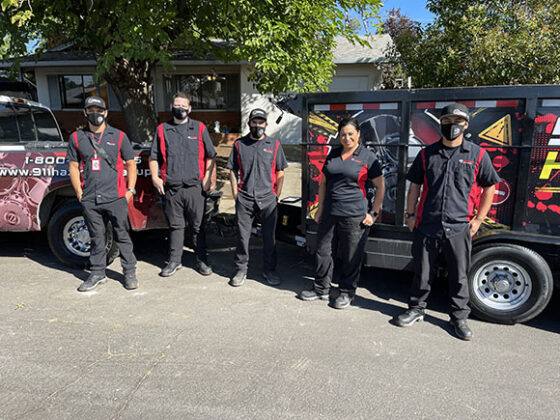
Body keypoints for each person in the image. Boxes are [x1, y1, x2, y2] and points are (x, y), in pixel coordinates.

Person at [396, 103, 500, 340]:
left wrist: (478, 220)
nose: (452, 125)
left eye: (458, 121)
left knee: (459, 274)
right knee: (422, 271)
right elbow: (415, 187)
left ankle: (459, 317)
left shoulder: (477, 155)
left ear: (465, 124)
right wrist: (410, 215)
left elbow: (490, 188)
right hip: (427, 224)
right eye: (447, 120)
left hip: (460, 226)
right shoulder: (426, 154)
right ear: (441, 123)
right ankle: (416, 308)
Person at [299, 117, 385, 309]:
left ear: (358, 135)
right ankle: (321, 288)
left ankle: (347, 292)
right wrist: (320, 209)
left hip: (354, 215)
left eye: (350, 134)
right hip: (330, 212)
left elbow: (380, 187)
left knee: (350, 255)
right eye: (343, 134)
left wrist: (374, 213)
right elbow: (323, 183)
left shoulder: (367, 157)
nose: (346, 138)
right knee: (323, 251)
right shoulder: (333, 154)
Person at [67, 96, 138, 292]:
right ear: (85, 113)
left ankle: (129, 271)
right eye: (91, 110)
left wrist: (130, 189)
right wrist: (79, 193)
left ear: (106, 112)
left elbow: (131, 163)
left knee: (122, 235)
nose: (95, 114)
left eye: (99, 110)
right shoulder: (76, 138)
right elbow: (73, 166)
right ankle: (98, 273)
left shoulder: (119, 136)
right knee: (96, 237)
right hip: (90, 198)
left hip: (116, 197)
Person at [149, 92, 217, 277]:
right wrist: (155, 177)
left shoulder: (199, 128)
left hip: (195, 188)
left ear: (189, 108)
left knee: (198, 226)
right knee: (175, 226)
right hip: (173, 188)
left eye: (183, 106)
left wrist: (209, 179)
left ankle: (202, 260)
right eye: (176, 105)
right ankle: (174, 261)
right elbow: (154, 157)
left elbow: (211, 155)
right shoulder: (162, 129)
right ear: (172, 106)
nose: (180, 108)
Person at [227, 108, 289, 287]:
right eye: (254, 122)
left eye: (261, 122)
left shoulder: (274, 144)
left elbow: (280, 171)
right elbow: (232, 169)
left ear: (266, 124)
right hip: (245, 198)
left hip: (268, 198)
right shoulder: (239, 144)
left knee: (269, 237)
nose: (257, 125)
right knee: (242, 236)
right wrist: (235, 193)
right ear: (249, 123)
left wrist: (276, 194)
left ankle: (269, 270)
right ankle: (241, 269)